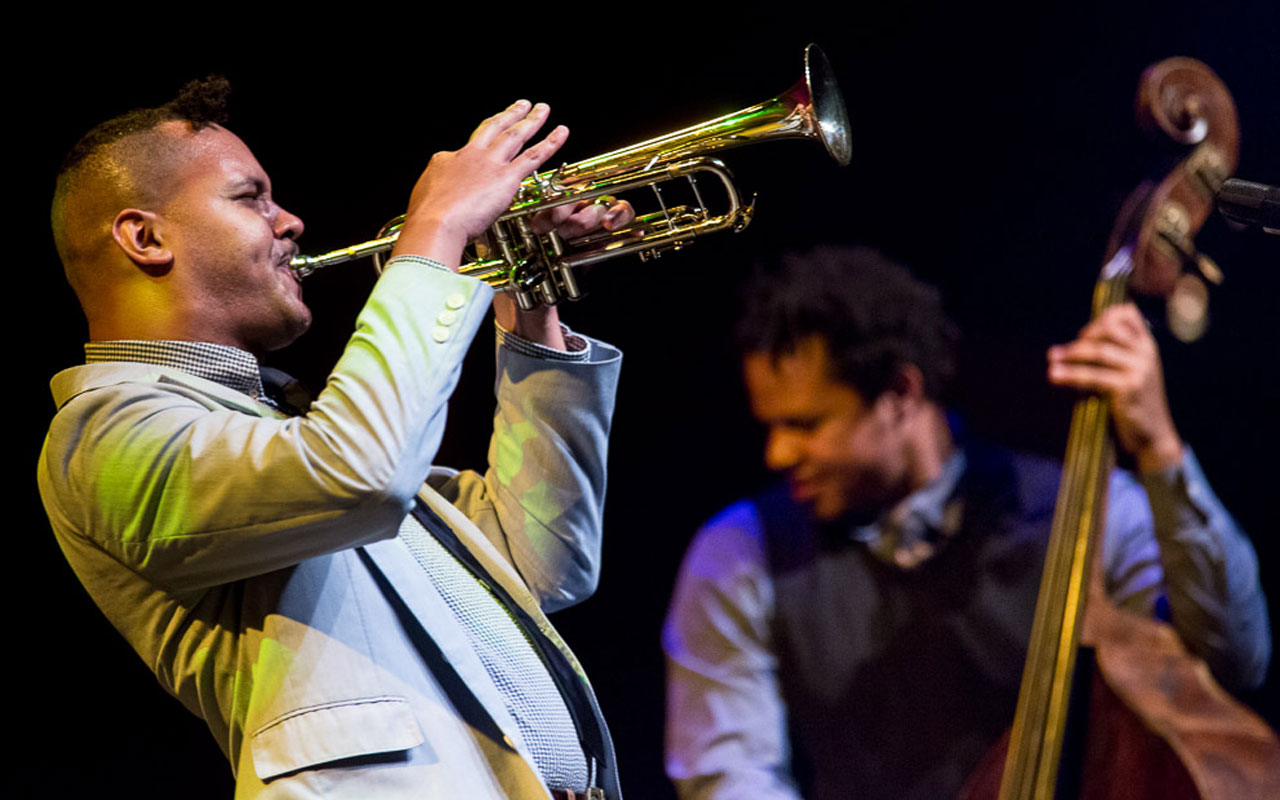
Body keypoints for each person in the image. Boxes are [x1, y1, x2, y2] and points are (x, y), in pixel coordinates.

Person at [39, 77, 636, 799]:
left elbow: (541, 563)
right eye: (249, 197)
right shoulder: (101, 433)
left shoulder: (284, 423)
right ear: (145, 237)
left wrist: (530, 303)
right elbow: (361, 472)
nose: (290, 221)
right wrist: (436, 230)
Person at [662, 246, 1271, 800]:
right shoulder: (740, 551)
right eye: (771, 426)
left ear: (901, 393)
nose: (777, 455)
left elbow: (1233, 658)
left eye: (806, 425)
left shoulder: (1089, 512)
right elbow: (732, 778)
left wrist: (1160, 451)